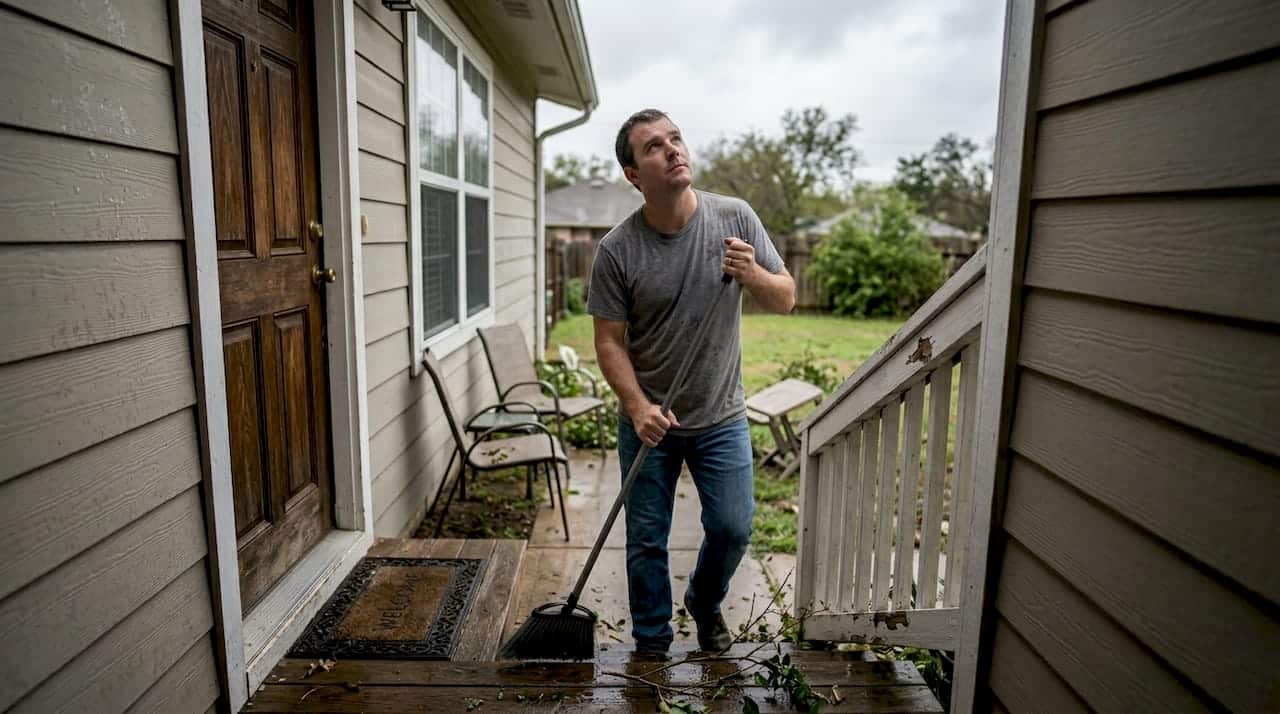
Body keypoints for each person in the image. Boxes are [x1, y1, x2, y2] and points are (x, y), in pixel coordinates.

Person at [587, 109, 796, 654]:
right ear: (634, 174)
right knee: (646, 541)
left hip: (719, 413)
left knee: (732, 527)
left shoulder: (736, 218)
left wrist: (752, 275)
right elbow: (608, 340)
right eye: (654, 147)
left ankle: (704, 603)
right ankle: (652, 644)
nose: (673, 150)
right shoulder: (618, 250)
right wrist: (636, 407)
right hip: (650, 419)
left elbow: (787, 296)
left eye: (676, 138)